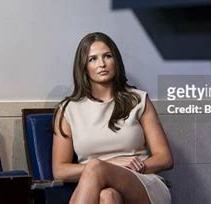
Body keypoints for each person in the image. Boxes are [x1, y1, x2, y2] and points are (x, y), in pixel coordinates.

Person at [53, 32, 173, 204]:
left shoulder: (138, 100)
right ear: (83, 67)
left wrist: (134, 166)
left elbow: (165, 158)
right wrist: (111, 164)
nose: (102, 64)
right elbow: (60, 171)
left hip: (142, 182)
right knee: (107, 197)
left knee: (95, 166)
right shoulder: (67, 110)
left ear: (116, 60)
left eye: (107, 56)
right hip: (96, 188)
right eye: (92, 59)